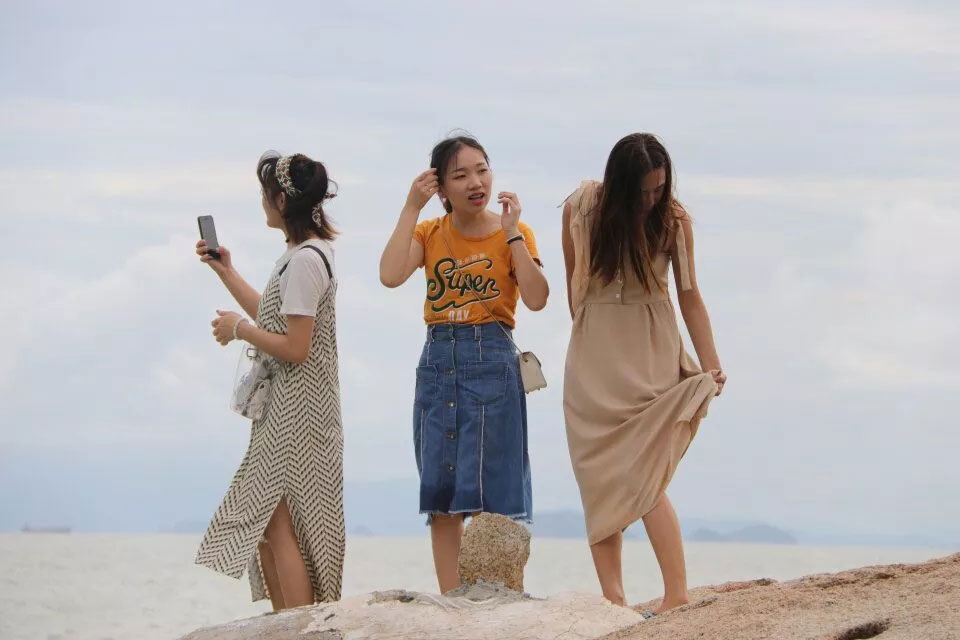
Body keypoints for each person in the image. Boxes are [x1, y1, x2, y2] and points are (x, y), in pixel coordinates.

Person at [561, 133, 726, 612]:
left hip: (650, 348)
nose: (652, 199)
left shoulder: (673, 221)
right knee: (596, 475)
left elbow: (690, 295)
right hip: (594, 350)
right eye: (643, 191)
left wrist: (711, 362)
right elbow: (575, 284)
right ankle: (612, 600)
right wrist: (590, 335)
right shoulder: (580, 210)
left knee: (644, 474)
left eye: (659, 188)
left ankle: (677, 595)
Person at [379, 134, 549, 593]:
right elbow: (390, 274)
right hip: (439, 361)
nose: (476, 182)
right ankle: (451, 600)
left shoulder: (514, 232)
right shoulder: (429, 233)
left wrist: (513, 233)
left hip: (492, 357)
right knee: (442, 494)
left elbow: (537, 298)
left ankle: (499, 594)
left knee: (498, 492)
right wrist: (411, 207)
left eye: (482, 170)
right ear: (441, 187)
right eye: (460, 175)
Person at [193, 151, 345, 610]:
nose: (262, 203)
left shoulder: (305, 261)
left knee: (278, 521)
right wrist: (225, 270)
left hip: (299, 409)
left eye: (266, 195)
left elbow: (296, 347)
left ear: (281, 200)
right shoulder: (301, 256)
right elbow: (275, 316)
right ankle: (285, 622)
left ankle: (295, 624)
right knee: (272, 522)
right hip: (290, 407)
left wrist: (239, 329)